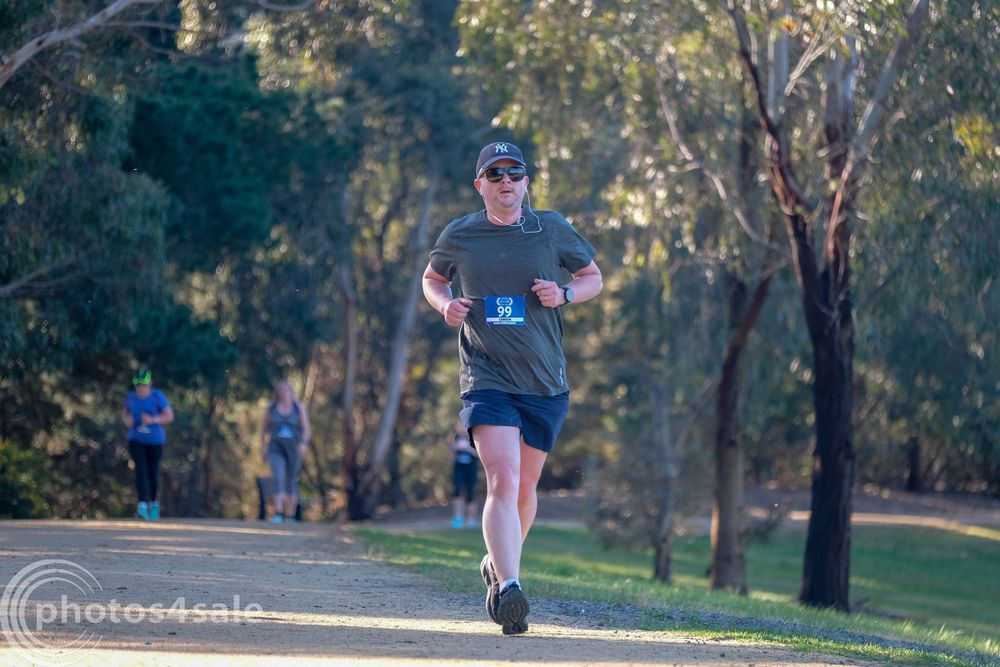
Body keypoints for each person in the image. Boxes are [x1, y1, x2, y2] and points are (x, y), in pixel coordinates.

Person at [422, 141, 603, 635]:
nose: (506, 182)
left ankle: (496, 564)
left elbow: (593, 277)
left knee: (525, 487)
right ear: (479, 184)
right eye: (495, 174)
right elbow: (432, 278)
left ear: (526, 182)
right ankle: (510, 590)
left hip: (544, 381)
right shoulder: (461, 234)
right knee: (502, 477)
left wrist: (565, 293)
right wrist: (445, 305)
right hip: (487, 376)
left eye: (514, 173)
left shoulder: (550, 228)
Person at [121, 368, 174, 521]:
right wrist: (127, 420)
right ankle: (142, 505)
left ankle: (154, 505)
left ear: (150, 383)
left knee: (153, 472)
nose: (140, 387)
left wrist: (153, 420)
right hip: (136, 439)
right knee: (141, 470)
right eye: (137, 384)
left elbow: (169, 416)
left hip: (155, 441)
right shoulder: (131, 397)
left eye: (143, 384)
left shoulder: (157, 396)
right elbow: (125, 414)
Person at [259, 380, 311, 523]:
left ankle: (291, 515)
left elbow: (306, 430)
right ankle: (278, 513)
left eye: (287, 389)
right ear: (277, 392)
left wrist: (304, 444)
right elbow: (264, 430)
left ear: (291, 392)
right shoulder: (271, 408)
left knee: (291, 480)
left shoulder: (299, 408)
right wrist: (262, 446)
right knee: (278, 478)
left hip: (294, 449)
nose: (284, 392)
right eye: (281, 389)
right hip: (275, 448)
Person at [450, 424, 480, 529]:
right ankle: (458, 517)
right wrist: (454, 447)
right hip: (458, 469)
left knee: (470, 493)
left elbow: (479, 454)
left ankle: (471, 519)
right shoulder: (455, 438)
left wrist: (467, 449)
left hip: (471, 469)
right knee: (457, 491)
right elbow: (451, 453)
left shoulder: (474, 438)